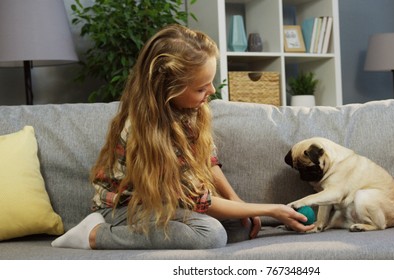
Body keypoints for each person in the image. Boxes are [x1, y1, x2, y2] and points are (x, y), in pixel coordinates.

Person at [51, 24, 314, 250]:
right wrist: (270, 209)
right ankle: (95, 234)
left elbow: (208, 161)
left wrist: (239, 202)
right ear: (167, 88)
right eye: (201, 87)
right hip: (123, 208)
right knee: (210, 234)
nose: (212, 90)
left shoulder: (190, 109)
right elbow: (203, 203)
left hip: (165, 204)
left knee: (239, 228)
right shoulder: (147, 131)